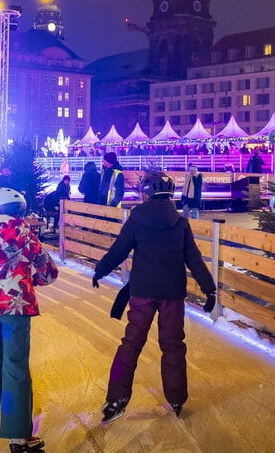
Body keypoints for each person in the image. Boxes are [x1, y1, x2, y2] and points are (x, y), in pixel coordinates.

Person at [92, 171, 217, 423]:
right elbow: (193, 257)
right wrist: (209, 288)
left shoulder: (137, 217)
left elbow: (119, 250)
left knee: (131, 343)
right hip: (172, 294)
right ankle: (176, 397)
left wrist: (100, 270)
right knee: (173, 345)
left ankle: (117, 398)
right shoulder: (180, 222)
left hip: (142, 293)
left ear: (146, 192)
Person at [0, 187, 58, 453]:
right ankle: (18, 436)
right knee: (15, 366)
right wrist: (28, 280)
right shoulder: (28, 235)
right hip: (17, 308)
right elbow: (49, 274)